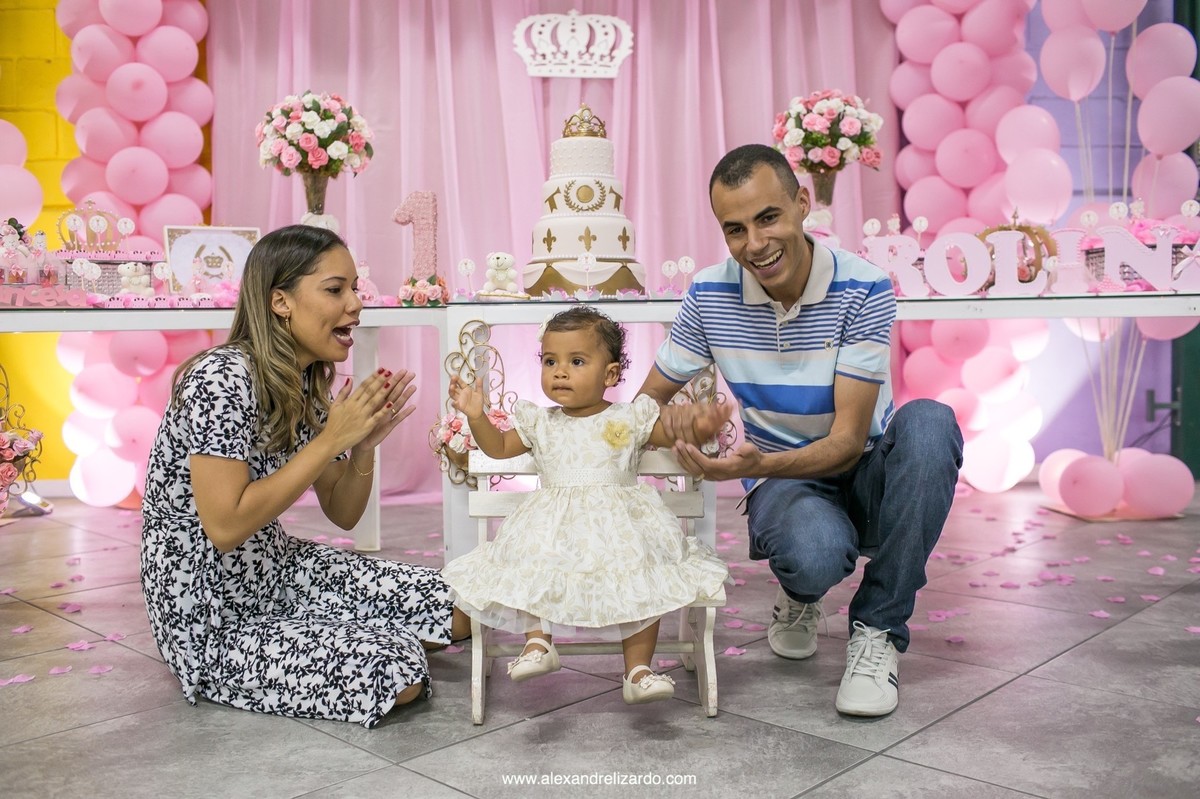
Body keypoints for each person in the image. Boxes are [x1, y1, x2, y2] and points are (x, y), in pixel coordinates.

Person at [638, 144, 963, 717]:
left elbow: (844, 442)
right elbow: (642, 412)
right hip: (788, 485)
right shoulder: (708, 295)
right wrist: (674, 423)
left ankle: (878, 630)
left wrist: (755, 464)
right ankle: (801, 591)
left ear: (802, 204)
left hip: (859, 466)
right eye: (735, 229)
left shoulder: (863, 287)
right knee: (813, 558)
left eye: (768, 218)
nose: (755, 245)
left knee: (931, 423)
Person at [140, 224, 470, 728]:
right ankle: (322, 635)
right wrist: (330, 440)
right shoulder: (220, 380)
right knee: (393, 673)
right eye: (336, 290)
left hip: (278, 569)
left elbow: (342, 511)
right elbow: (224, 527)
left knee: (458, 608)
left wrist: (361, 447)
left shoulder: (303, 378)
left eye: (355, 288)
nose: (356, 304)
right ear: (281, 302)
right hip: (213, 610)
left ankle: (329, 626)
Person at [441, 306, 731, 704]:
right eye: (550, 361)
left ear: (609, 374)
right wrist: (476, 416)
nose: (560, 371)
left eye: (576, 361)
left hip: (621, 525)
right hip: (553, 523)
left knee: (641, 573)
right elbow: (498, 448)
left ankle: (638, 669)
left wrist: (700, 424)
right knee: (528, 559)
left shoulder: (629, 418)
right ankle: (538, 642)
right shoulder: (539, 422)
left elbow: (668, 435)